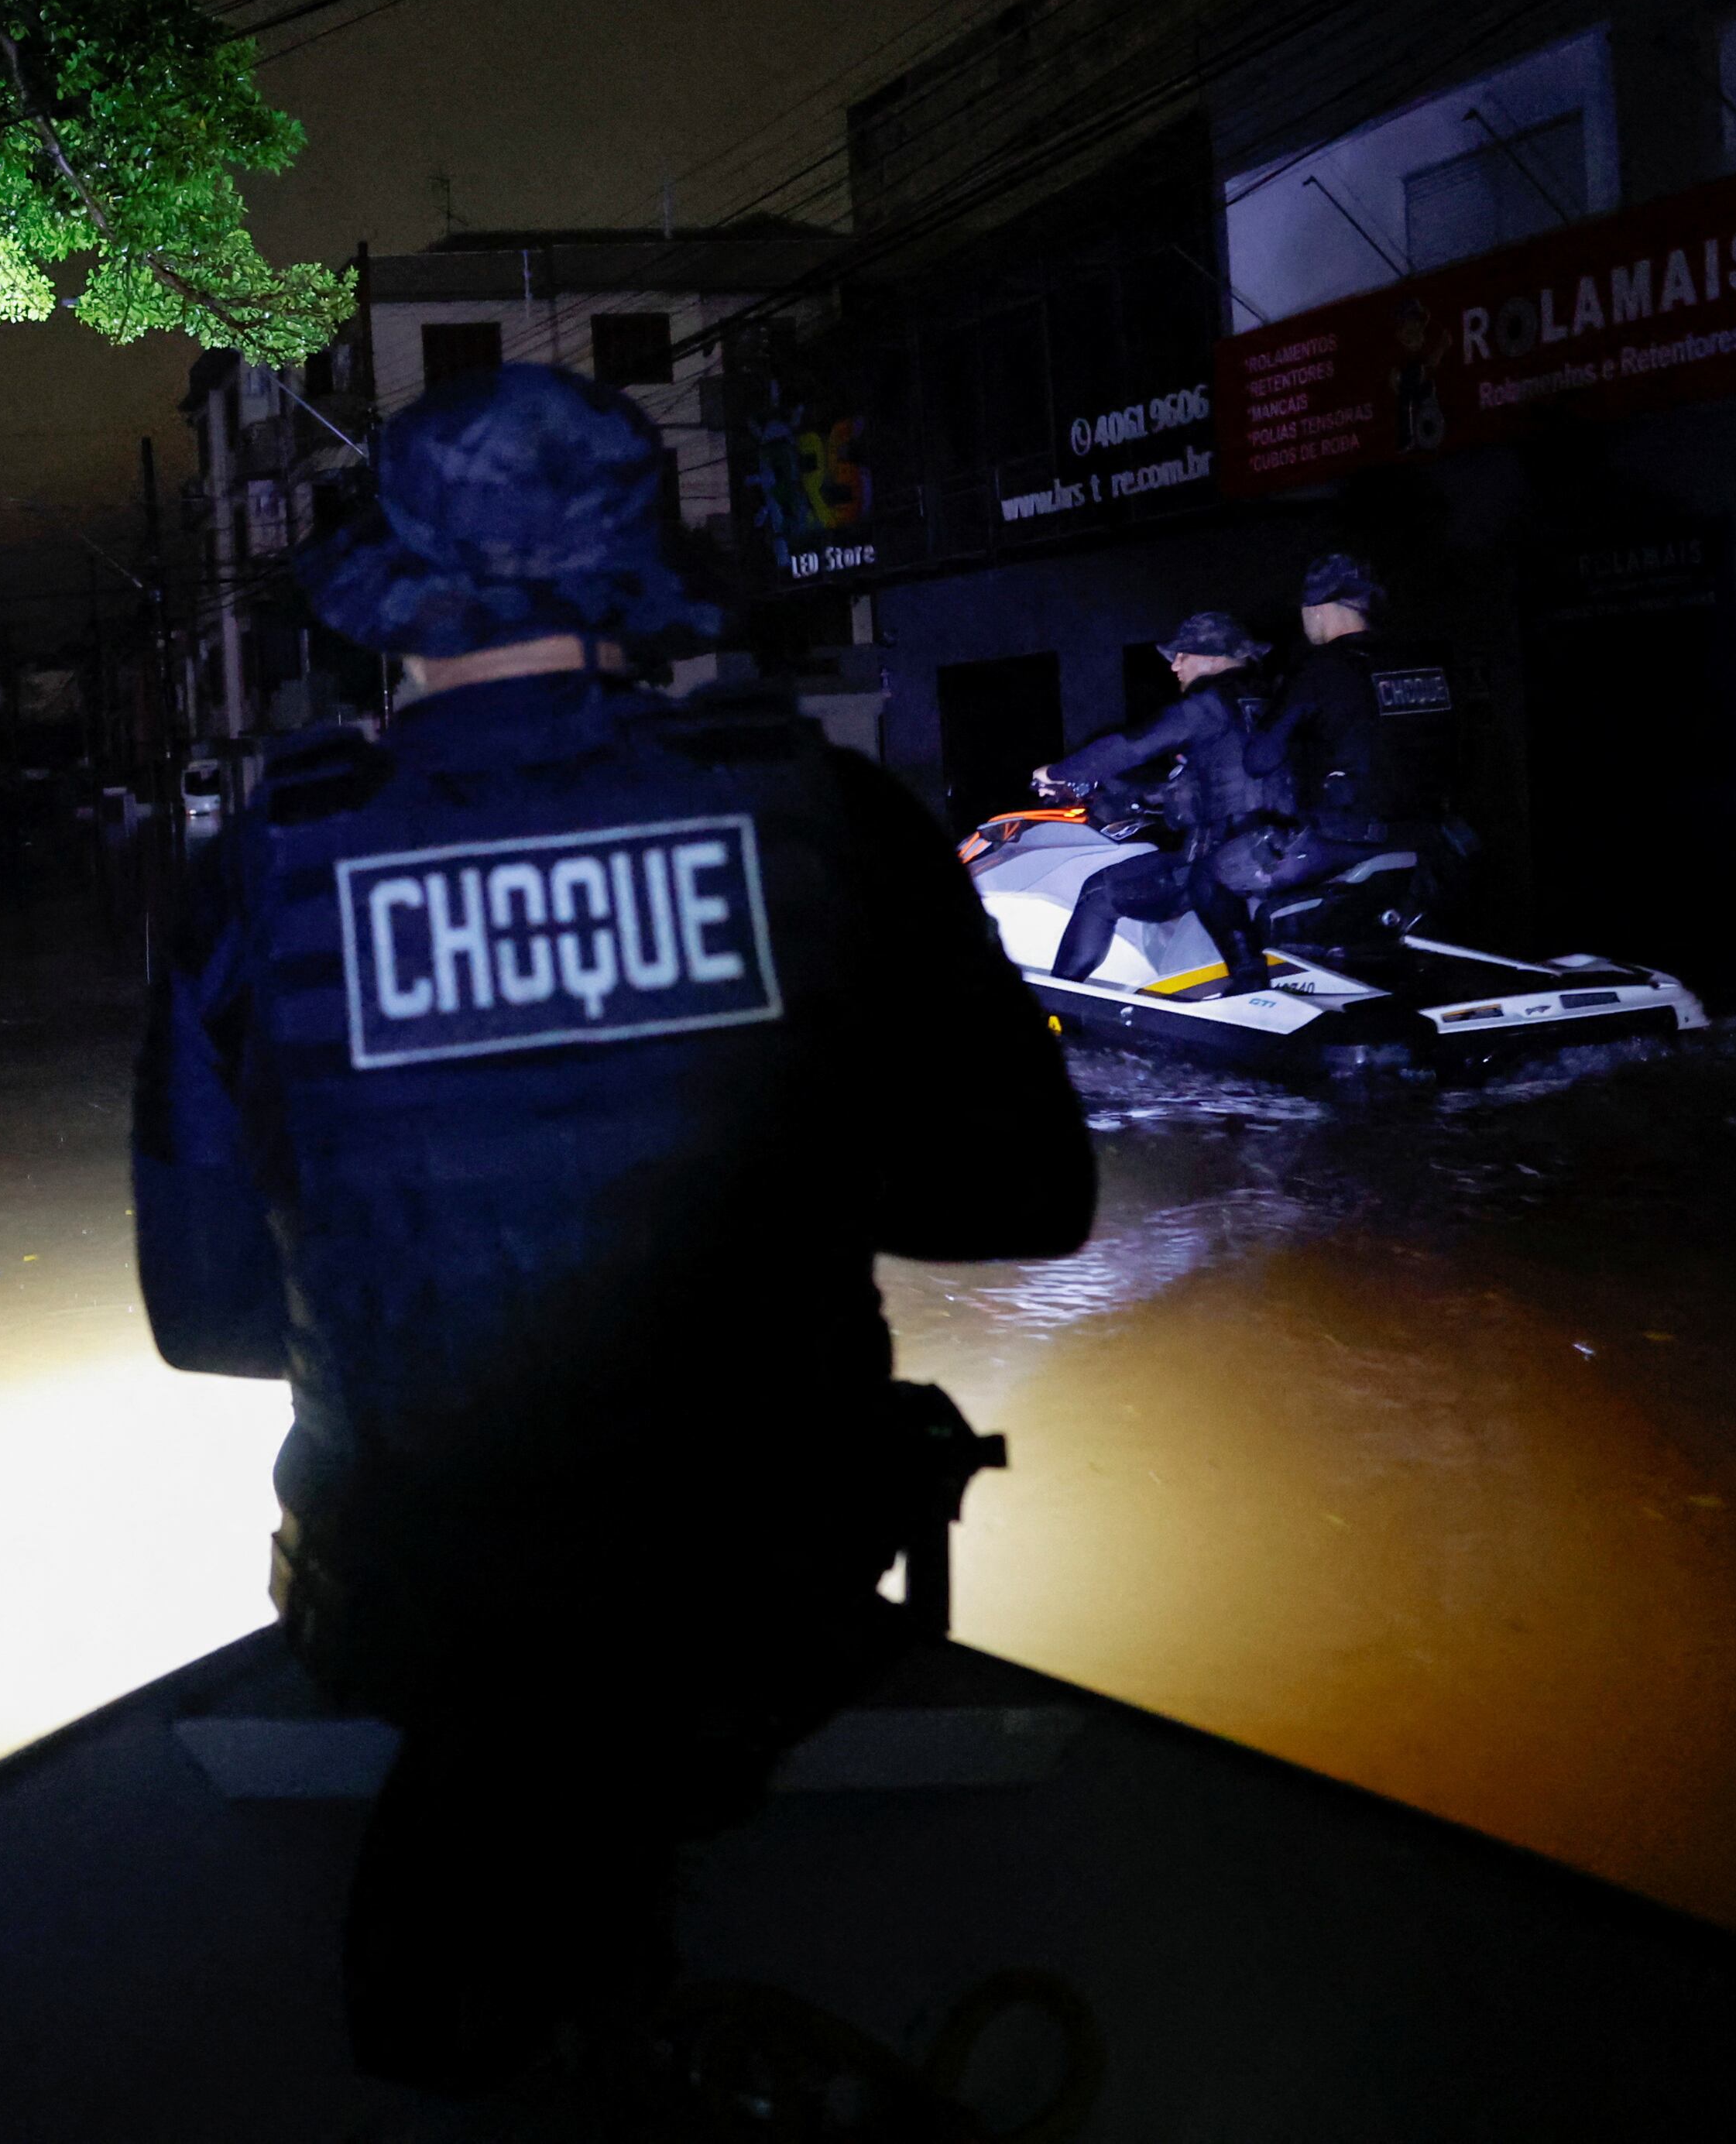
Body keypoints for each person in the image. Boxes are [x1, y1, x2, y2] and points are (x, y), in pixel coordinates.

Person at [132, 364, 1096, 2101]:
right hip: (765, 1594)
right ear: (629, 589)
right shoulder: (829, 818)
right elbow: (1028, 1197)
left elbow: (205, 1315)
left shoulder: (264, 868)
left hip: (407, 1606)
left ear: (391, 614)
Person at [1031, 610, 1295, 997]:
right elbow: (1205, 783)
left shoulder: (1210, 705)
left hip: (1228, 857)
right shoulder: (1276, 698)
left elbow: (1131, 745)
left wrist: (1058, 772)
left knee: (1100, 893)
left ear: (1212, 657)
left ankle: (1059, 1000)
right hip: (1288, 847)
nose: (1174, 666)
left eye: (1182, 655)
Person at [1245, 551, 1466, 932]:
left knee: (1229, 879)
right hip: (1433, 840)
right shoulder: (1424, 659)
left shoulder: (1320, 669)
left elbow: (1259, 760)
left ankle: (1251, 984)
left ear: (1317, 609)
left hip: (1345, 842)